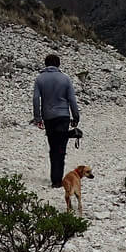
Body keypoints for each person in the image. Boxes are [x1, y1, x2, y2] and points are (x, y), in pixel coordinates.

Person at [32, 53, 80, 188]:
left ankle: (55, 179)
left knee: (53, 147)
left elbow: (36, 99)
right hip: (63, 117)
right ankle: (59, 179)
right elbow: (72, 99)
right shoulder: (65, 79)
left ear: (46, 64)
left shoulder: (40, 79)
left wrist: (37, 118)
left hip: (48, 117)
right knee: (61, 148)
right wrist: (75, 117)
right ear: (58, 64)